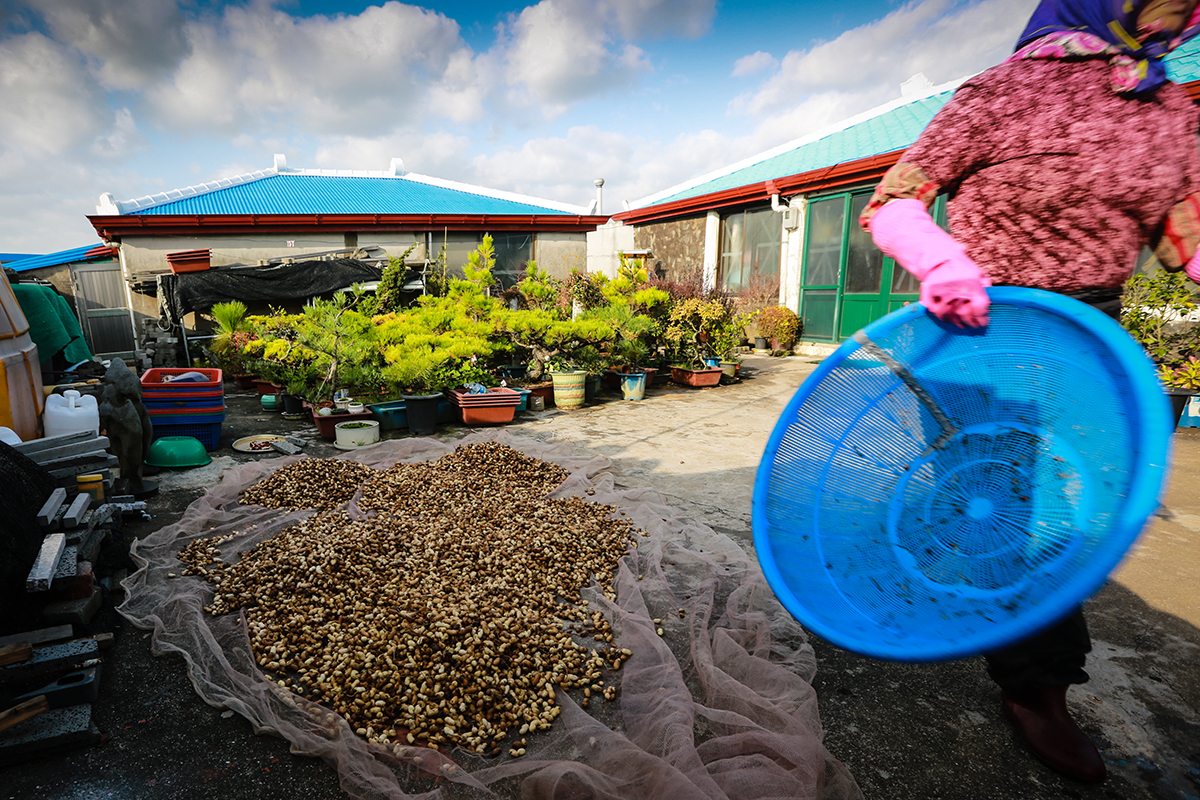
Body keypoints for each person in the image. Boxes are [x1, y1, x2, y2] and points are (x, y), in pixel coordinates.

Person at [859, 0, 1200, 784]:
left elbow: (1185, 232)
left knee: (1068, 505)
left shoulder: (1169, 108)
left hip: (1090, 340)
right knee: (1001, 501)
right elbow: (895, 201)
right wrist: (943, 263)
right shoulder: (1002, 91)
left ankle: (1001, 612)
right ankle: (1036, 690)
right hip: (982, 329)